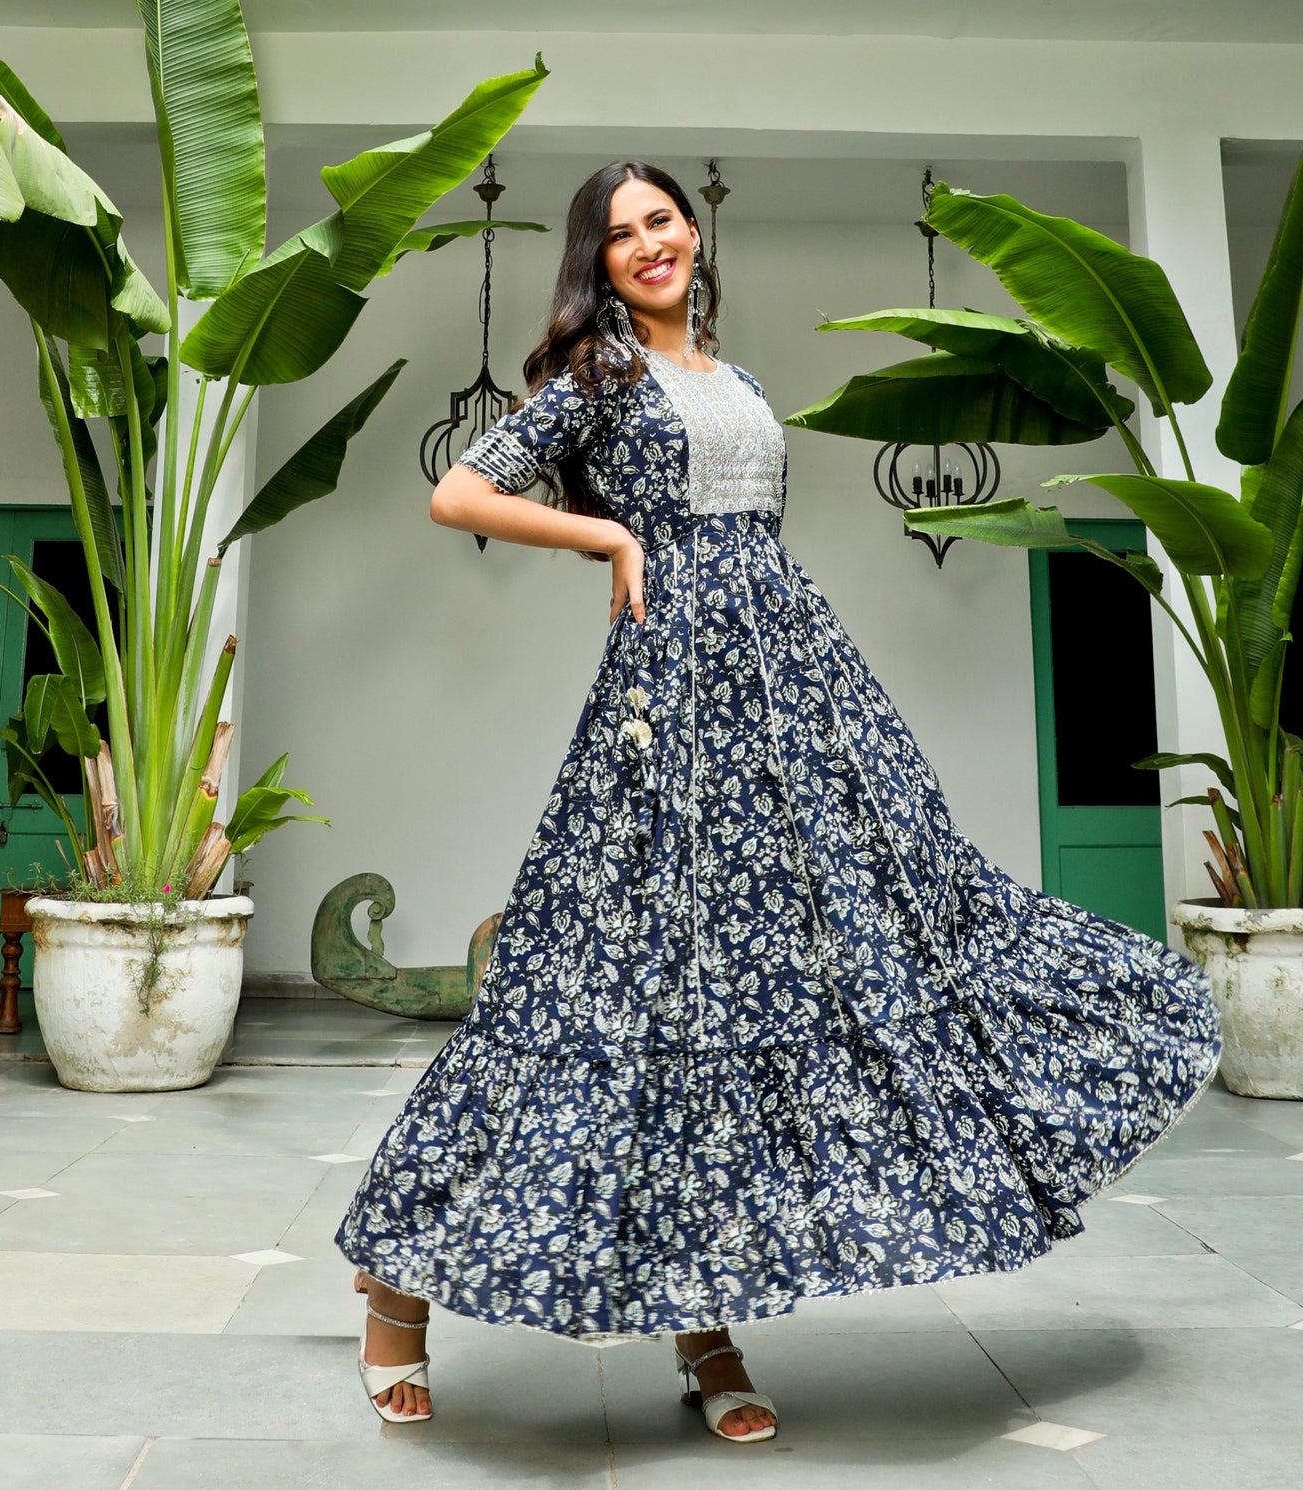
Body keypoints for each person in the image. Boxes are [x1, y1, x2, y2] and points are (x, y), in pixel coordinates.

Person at [334, 159, 1223, 1442]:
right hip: (675, 708)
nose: (646, 245)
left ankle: (706, 1321)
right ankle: (398, 1296)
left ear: (691, 233)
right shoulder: (599, 375)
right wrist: (614, 538)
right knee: (600, 994)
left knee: (805, 974)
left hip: (794, 692)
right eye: (619, 234)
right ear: (595, 261)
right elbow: (456, 491)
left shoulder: (733, 378)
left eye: (660, 222)